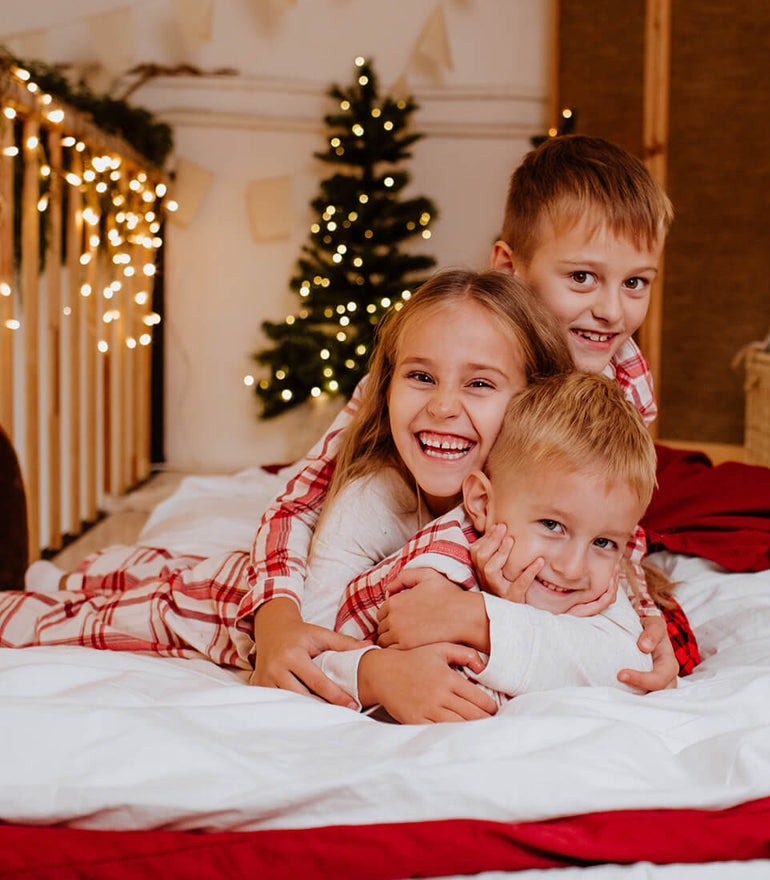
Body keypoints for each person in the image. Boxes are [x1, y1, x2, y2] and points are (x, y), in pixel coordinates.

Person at [0, 271, 573, 720]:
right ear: (388, 385)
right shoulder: (377, 493)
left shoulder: (543, 509)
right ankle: (72, 580)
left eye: (478, 384)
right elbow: (316, 622)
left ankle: (91, 572)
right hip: (232, 611)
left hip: (239, 581)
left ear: (535, 400)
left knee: (147, 574)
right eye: (420, 376)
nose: (443, 406)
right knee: (86, 612)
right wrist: (377, 673)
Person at [246, 136, 683, 702]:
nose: (611, 310)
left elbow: (613, 510)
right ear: (509, 267)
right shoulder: (439, 353)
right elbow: (304, 498)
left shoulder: (619, 377)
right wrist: (276, 618)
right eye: (581, 277)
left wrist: (642, 614)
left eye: (635, 283)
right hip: (420, 519)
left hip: (512, 541)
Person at [312, 372, 661, 721]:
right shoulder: (438, 573)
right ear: (481, 503)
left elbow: (635, 670)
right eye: (552, 525)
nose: (573, 568)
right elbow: (321, 655)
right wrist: (375, 677)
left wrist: (483, 619)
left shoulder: (595, 584)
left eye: (604, 542)